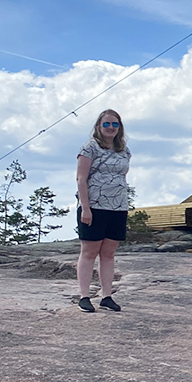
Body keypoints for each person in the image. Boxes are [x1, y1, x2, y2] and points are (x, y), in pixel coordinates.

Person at [74, 109, 130, 312]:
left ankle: (107, 296)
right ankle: (84, 296)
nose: (111, 128)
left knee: (108, 253)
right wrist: (85, 208)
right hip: (94, 206)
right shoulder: (90, 147)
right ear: (98, 126)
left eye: (115, 124)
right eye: (106, 124)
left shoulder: (123, 150)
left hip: (118, 208)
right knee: (89, 251)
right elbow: (81, 178)